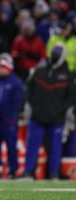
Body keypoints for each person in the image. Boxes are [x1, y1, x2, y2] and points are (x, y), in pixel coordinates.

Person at [22, 43, 76, 180]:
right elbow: (29, 88)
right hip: (37, 116)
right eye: (53, 53)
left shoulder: (68, 75)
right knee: (33, 146)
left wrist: (65, 112)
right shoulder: (39, 71)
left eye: (57, 54)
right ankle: (28, 172)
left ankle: (54, 173)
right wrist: (30, 105)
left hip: (57, 118)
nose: (54, 56)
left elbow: (71, 97)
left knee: (55, 148)